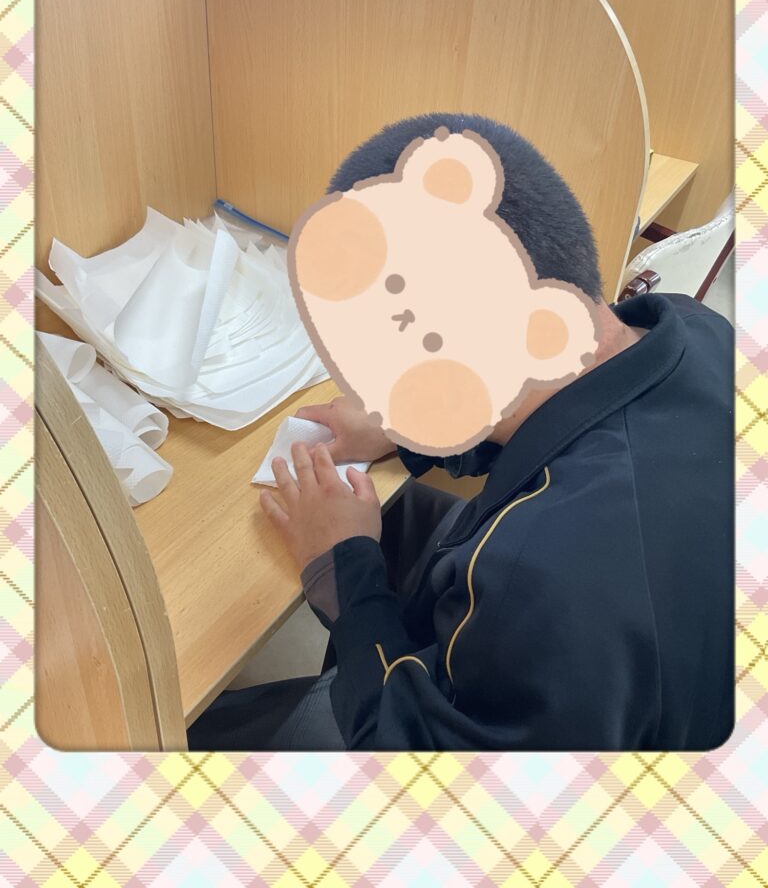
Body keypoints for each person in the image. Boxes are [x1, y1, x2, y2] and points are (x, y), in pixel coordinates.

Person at [187, 113, 733, 752]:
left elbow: (412, 753)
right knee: (403, 516)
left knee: (202, 732)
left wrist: (342, 563)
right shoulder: (693, 329)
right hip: (641, 645)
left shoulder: (538, 580)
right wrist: (402, 427)